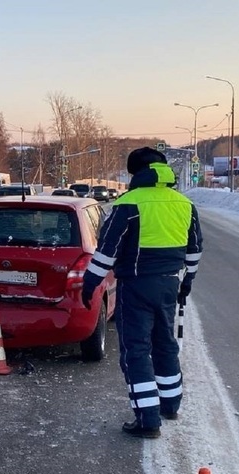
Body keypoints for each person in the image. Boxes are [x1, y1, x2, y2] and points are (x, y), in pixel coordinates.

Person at [81, 147, 203, 439]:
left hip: (135, 285)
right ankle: (170, 404)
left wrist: (90, 284)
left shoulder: (129, 203)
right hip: (169, 284)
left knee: (136, 350)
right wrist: (187, 283)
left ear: (135, 173)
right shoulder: (184, 204)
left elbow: (106, 253)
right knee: (165, 343)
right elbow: (194, 250)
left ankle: (148, 419)